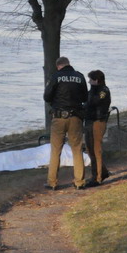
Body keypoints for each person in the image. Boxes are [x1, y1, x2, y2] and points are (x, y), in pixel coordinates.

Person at [43, 56, 88, 190]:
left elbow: (47, 96)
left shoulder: (56, 77)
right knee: (77, 149)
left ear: (59, 66)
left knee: (56, 150)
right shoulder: (79, 77)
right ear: (68, 64)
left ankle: (52, 182)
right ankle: (79, 182)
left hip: (59, 118)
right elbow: (85, 97)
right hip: (76, 117)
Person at [83, 69, 112, 186]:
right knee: (90, 149)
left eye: (91, 79)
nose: (89, 82)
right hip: (90, 121)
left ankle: (97, 177)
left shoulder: (103, 91)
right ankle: (102, 172)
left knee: (96, 150)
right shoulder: (93, 91)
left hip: (98, 122)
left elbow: (94, 102)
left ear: (97, 80)